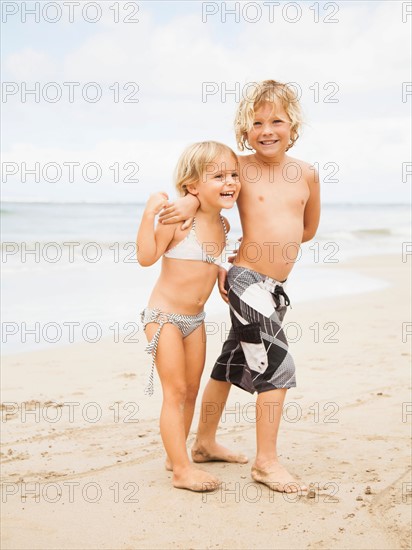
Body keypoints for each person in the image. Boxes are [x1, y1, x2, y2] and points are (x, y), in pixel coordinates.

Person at [158, 80, 321, 493]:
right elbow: (212, 185)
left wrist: (278, 250)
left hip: (274, 286)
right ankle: (266, 462)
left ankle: (205, 442)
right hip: (245, 280)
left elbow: (307, 230)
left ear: (293, 124)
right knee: (278, 367)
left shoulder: (307, 173)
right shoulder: (241, 167)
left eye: (276, 121)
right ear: (244, 130)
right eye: (256, 122)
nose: (267, 129)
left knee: (231, 363)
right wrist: (192, 203)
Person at [136, 141, 240, 492]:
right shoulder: (180, 219)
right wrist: (150, 212)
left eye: (233, 175)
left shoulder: (224, 226)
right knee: (175, 391)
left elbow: (205, 261)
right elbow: (146, 257)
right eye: (218, 176)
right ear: (192, 186)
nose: (229, 182)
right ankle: (182, 471)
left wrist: (221, 270)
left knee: (192, 390)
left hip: (195, 320)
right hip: (164, 317)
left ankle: (175, 455)